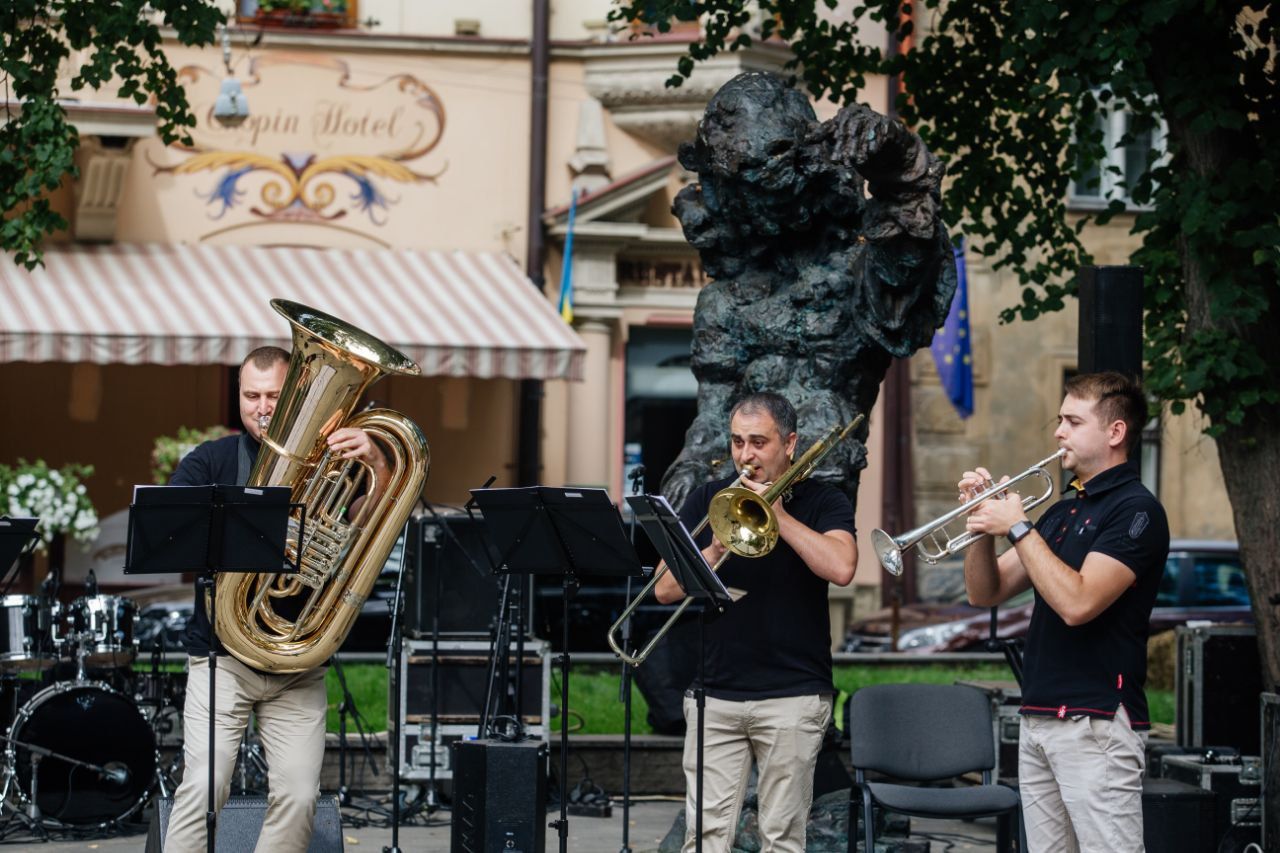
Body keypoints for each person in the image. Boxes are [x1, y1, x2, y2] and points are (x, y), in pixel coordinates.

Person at [163, 345, 390, 853]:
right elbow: (175, 534)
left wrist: (376, 461)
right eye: (251, 396)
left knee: (299, 794)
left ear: (292, 396)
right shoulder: (210, 461)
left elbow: (368, 522)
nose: (262, 406)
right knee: (203, 787)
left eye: (272, 395)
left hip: (297, 660)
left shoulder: (339, 459)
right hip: (222, 658)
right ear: (238, 398)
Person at [960, 371, 1170, 852]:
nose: (1058, 432)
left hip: (1095, 720)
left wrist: (1016, 528)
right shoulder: (1060, 511)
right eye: (1060, 420)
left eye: (1073, 422)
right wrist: (979, 526)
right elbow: (985, 593)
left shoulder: (1136, 512)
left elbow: (1078, 603)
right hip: (1040, 717)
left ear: (1115, 433)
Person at [655, 392, 857, 853]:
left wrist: (779, 516)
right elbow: (664, 589)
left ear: (790, 443)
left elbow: (842, 568)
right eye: (737, 442)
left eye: (758, 442)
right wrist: (712, 552)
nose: (745, 455)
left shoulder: (824, 499)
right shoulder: (711, 498)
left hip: (793, 695)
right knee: (703, 838)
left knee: (782, 839)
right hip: (715, 695)